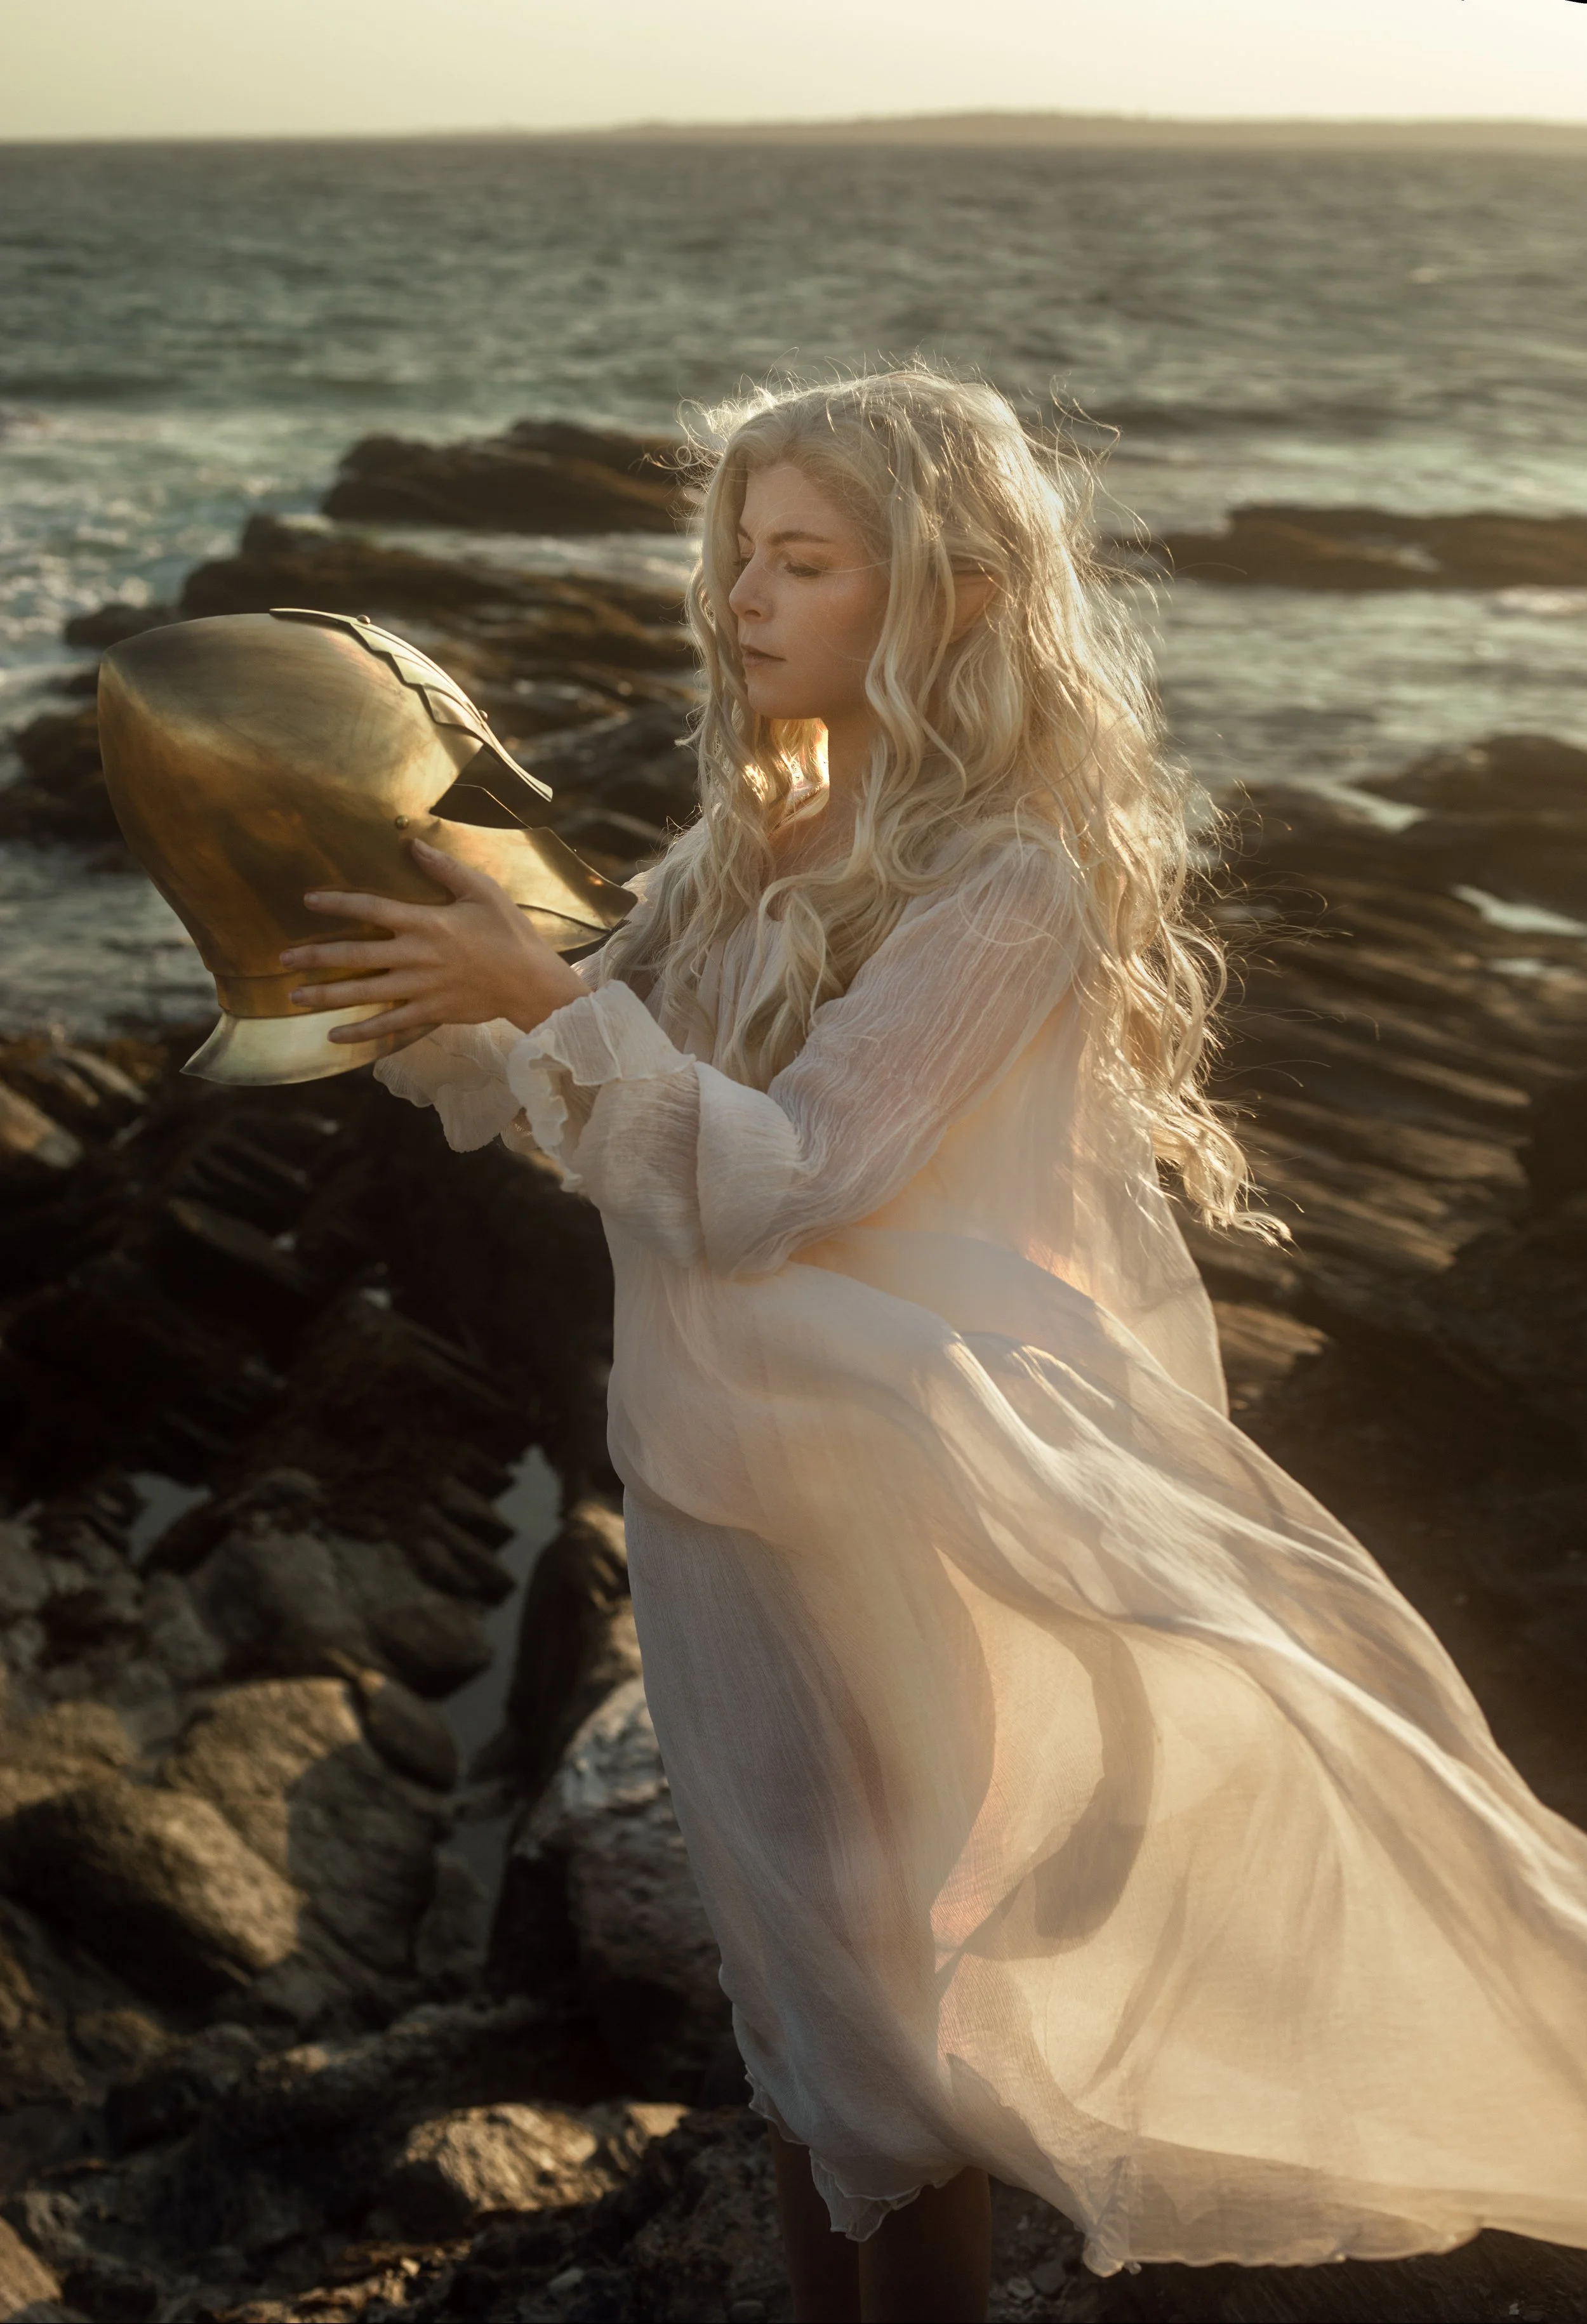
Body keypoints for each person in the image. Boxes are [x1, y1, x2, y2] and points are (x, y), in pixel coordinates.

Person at [279, 371, 1587, 2324]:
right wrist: (429, 972)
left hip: (908, 1490)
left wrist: (545, 994)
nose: (741, 599)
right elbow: (600, 1109)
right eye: (733, 555)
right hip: (719, 1481)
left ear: (953, 597)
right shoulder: (745, 843)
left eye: (800, 561)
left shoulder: (1008, 881)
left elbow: (789, 1175)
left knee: (890, 2030)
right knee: (802, 2025)